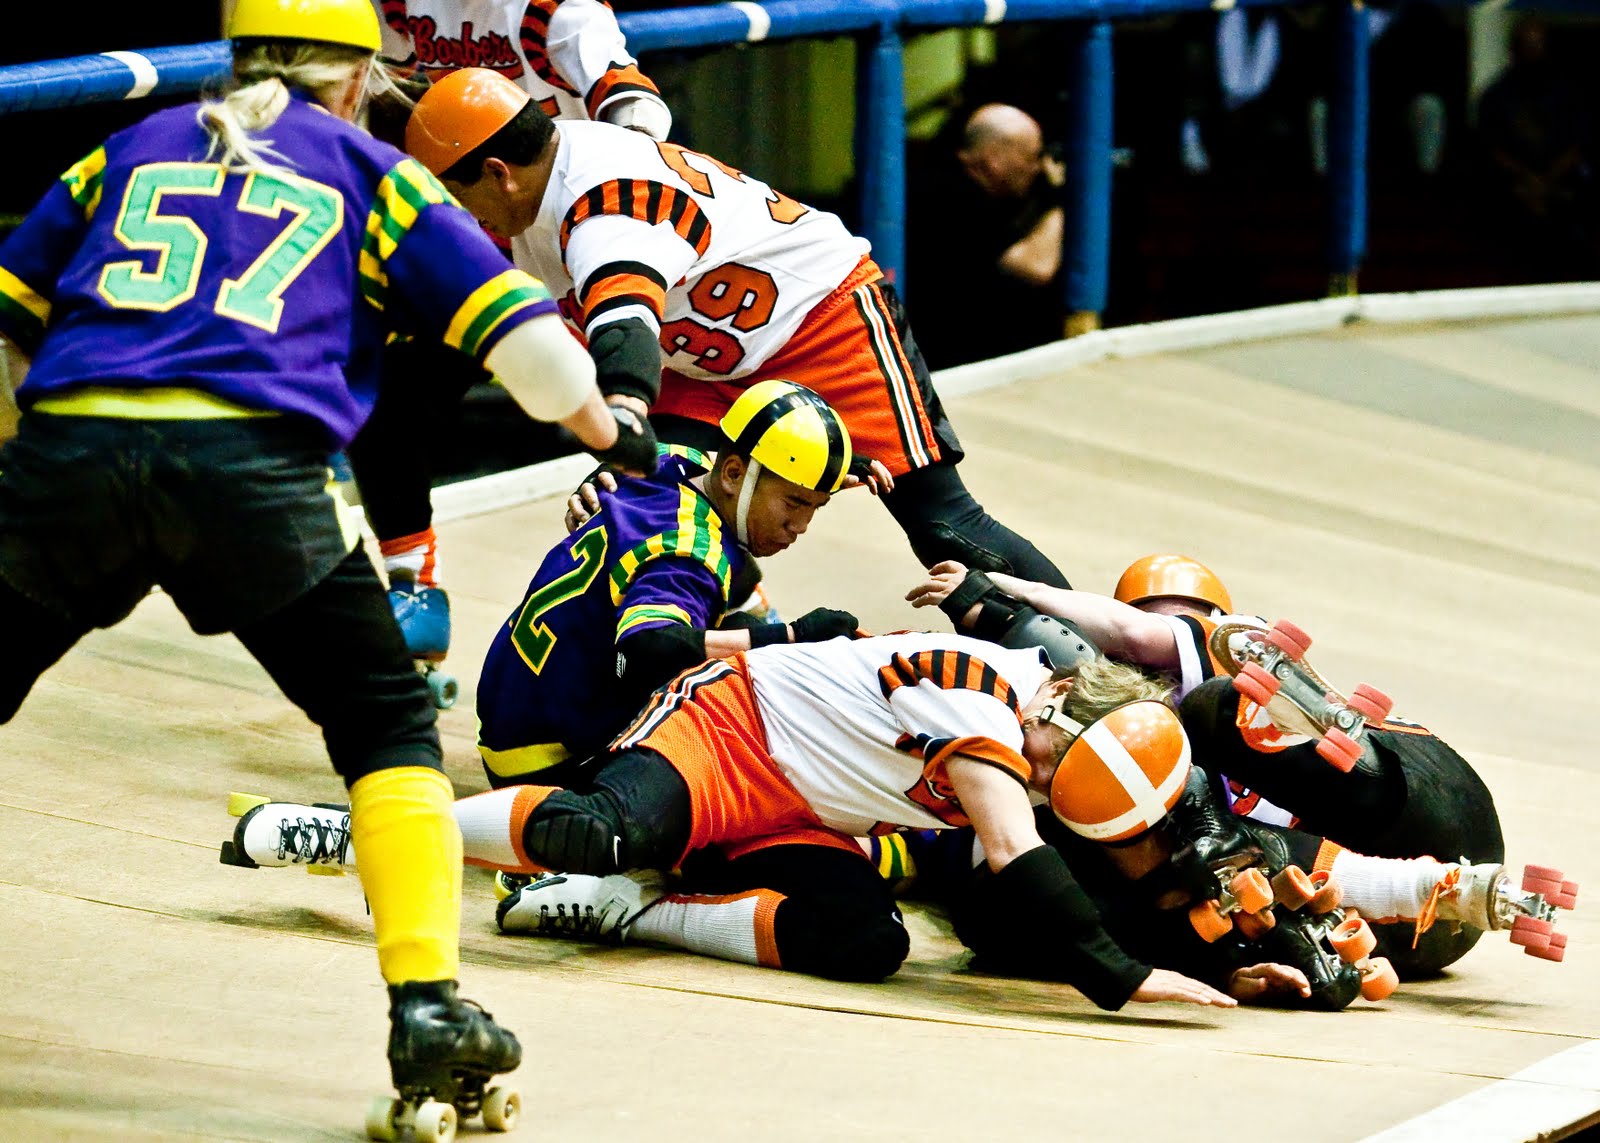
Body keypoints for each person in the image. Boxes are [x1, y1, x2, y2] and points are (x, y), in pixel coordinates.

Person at [0, 0, 646, 1120]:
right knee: (386, 728)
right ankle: (430, 1008)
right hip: (254, 469)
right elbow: (536, 359)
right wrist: (613, 433)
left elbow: (11, 320)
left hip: (75, 452)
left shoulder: (131, 148)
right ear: (360, 81)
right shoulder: (371, 173)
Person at [235, 632, 1242, 1010]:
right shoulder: (983, 701)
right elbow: (1013, 853)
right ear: (1066, 713)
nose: (1042, 783)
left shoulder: (1046, 731)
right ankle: (372, 828)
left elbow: (1037, 860)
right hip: (730, 730)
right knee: (600, 830)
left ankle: (626, 913)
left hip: (803, 810)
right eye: (1054, 768)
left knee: (866, 943)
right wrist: (1124, 975)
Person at [401, 68, 1073, 595]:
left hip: (817, 317)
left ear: (497, 174)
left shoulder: (605, 205)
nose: (465, 217)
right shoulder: (537, 177)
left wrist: (624, 420)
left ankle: (1108, 678)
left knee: (945, 526)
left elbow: (625, 325)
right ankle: (708, 661)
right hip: (699, 362)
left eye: (459, 197)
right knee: (644, 511)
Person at [905, 554, 1557, 976]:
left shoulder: (1207, 673)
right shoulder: (1097, 765)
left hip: (1423, 804)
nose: (1155, 656)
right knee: (1207, 855)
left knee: (1215, 710)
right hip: (1407, 924)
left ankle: (1332, 751)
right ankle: (1313, 920)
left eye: (1182, 625)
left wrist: (991, 596)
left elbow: (1132, 636)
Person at [348, 0, 674, 696]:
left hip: (580, 230)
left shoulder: (552, 9)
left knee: (642, 436)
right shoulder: (395, 8)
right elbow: (390, 109)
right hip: (479, 232)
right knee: (384, 390)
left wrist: (608, 204)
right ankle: (413, 589)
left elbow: (638, 112)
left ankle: (734, 595)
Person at [474, 379, 871, 790]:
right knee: (759, 708)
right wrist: (790, 637)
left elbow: (733, 487)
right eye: (794, 503)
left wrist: (823, 468)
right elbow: (646, 652)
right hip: (557, 767)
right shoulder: (690, 559)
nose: (801, 526)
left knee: (736, 614)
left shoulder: (670, 459)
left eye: (815, 507)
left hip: (510, 721)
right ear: (733, 473)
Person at [907, 102, 1066, 366]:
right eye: (1030, 156)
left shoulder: (960, 185)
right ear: (994, 157)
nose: (1037, 168)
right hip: (954, 363)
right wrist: (1060, 199)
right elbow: (1036, 266)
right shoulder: (953, 199)